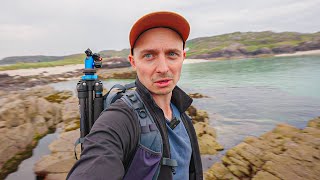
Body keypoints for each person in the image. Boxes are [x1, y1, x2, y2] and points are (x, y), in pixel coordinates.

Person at [67, 11, 203, 180]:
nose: (163, 68)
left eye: (172, 54)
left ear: (183, 57)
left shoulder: (181, 113)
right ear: (133, 62)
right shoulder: (121, 118)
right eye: (149, 55)